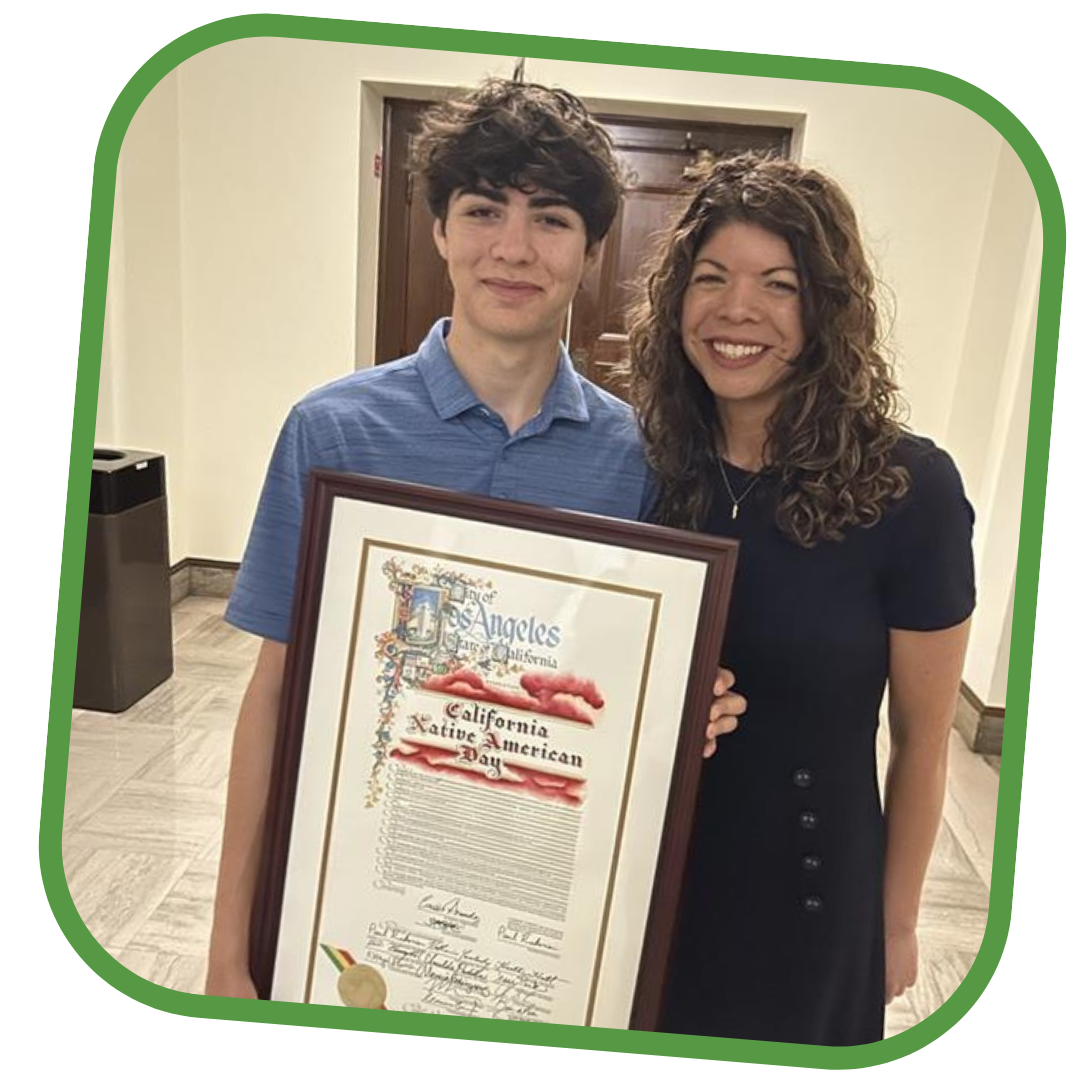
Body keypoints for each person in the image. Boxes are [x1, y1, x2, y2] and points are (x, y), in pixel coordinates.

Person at [204, 77, 747, 1002]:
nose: (513, 248)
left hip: (541, 917)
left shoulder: (647, 457)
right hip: (351, 884)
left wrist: (682, 706)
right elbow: (274, 695)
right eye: (484, 210)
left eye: (551, 218)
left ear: (591, 246)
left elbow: (632, 700)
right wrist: (226, 951)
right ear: (440, 231)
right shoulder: (332, 431)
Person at [626, 153, 975, 1046]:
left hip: (813, 889)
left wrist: (894, 925)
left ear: (824, 310)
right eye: (710, 279)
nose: (736, 311)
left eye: (777, 285)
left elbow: (924, 742)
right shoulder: (651, 468)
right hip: (648, 874)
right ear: (676, 303)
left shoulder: (910, 489)